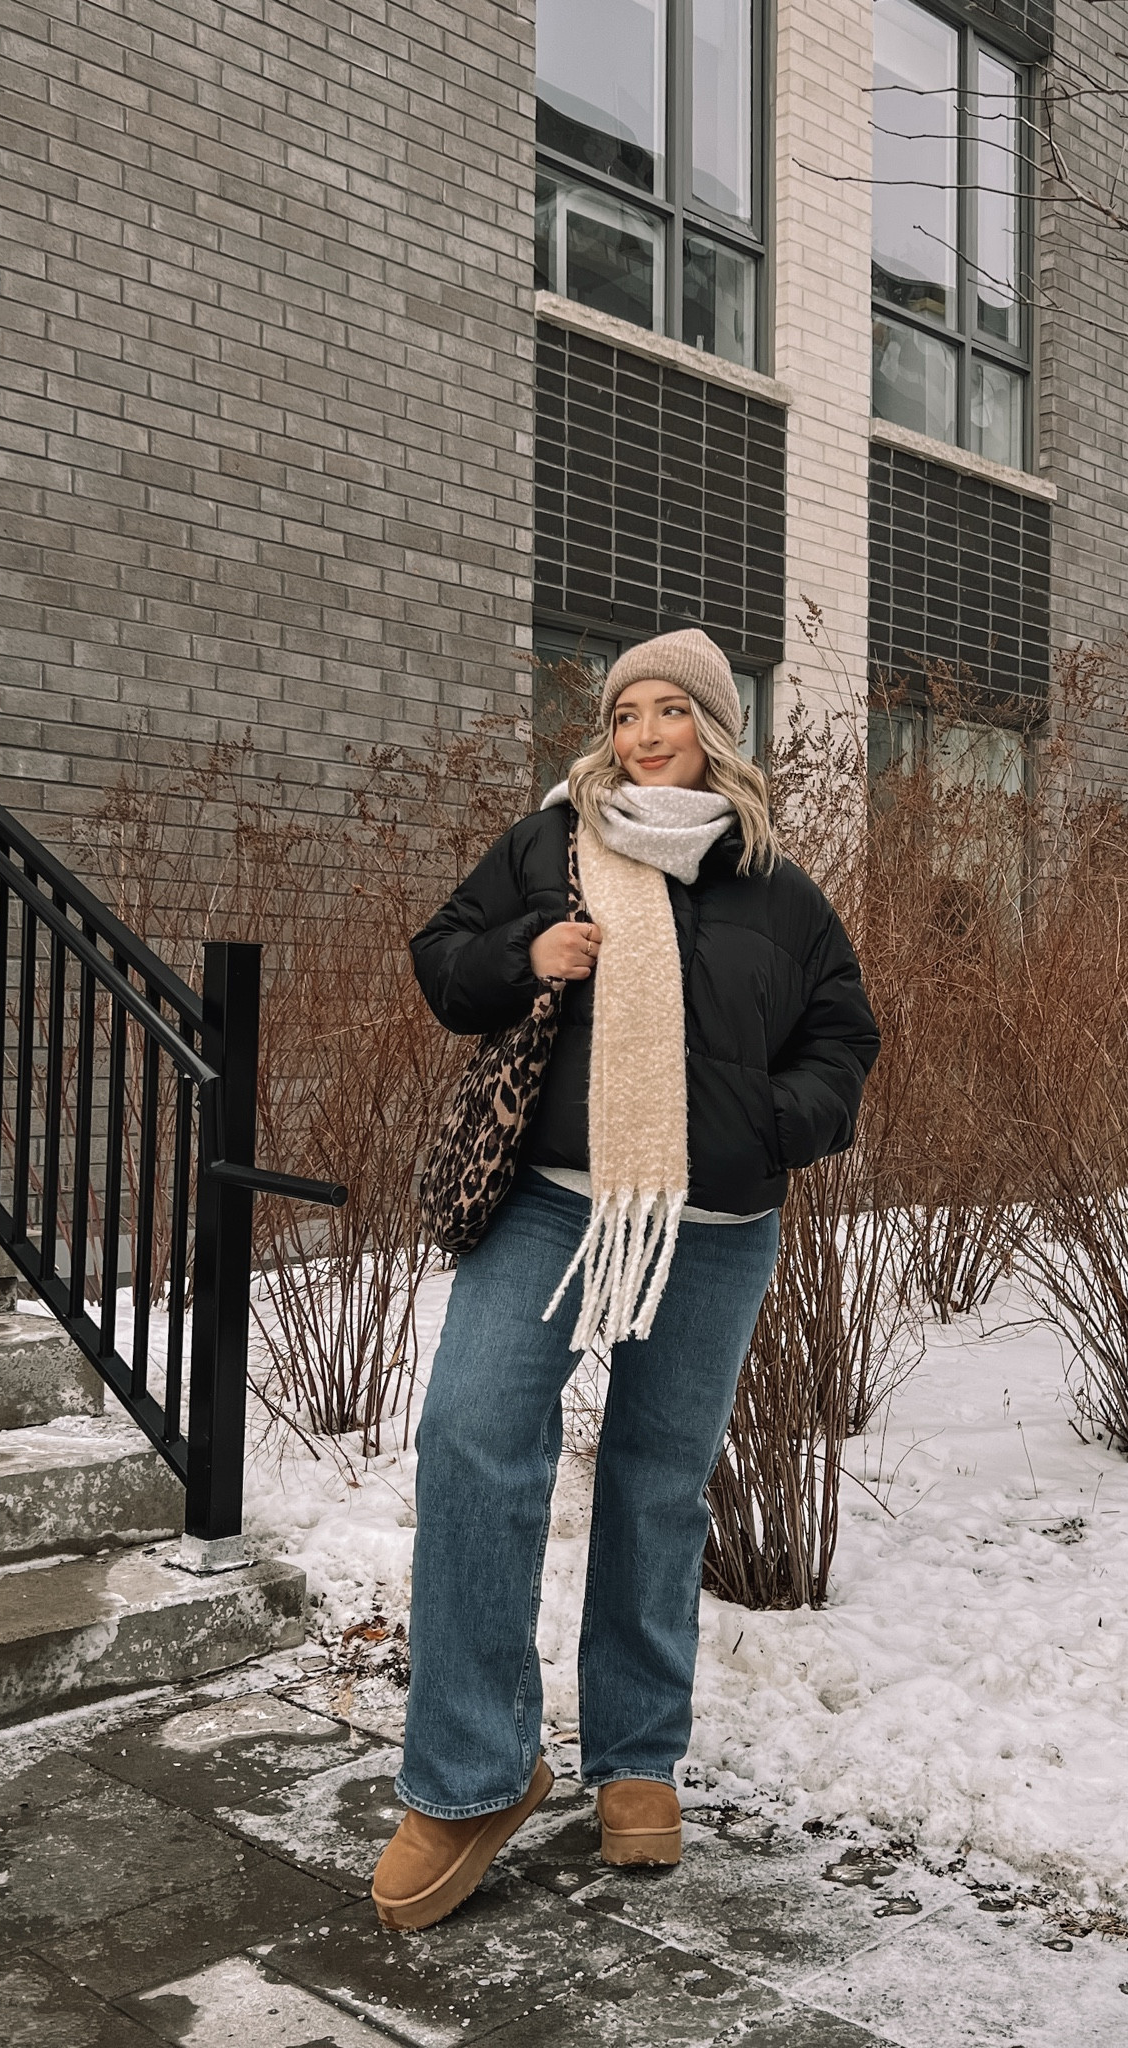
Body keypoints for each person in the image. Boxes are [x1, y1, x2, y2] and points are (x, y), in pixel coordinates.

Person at [372, 628, 880, 1931]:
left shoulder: (778, 888)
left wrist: (780, 1121)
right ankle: (476, 1770)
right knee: (473, 1434)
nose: (647, 730)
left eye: (674, 710)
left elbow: (843, 1030)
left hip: (712, 1226)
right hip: (550, 1203)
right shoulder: (548, 843)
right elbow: (444, 957)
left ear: (716, 727)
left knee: (657, 1485)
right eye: (628, 710)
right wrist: (522, 956)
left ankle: (638, 1756)